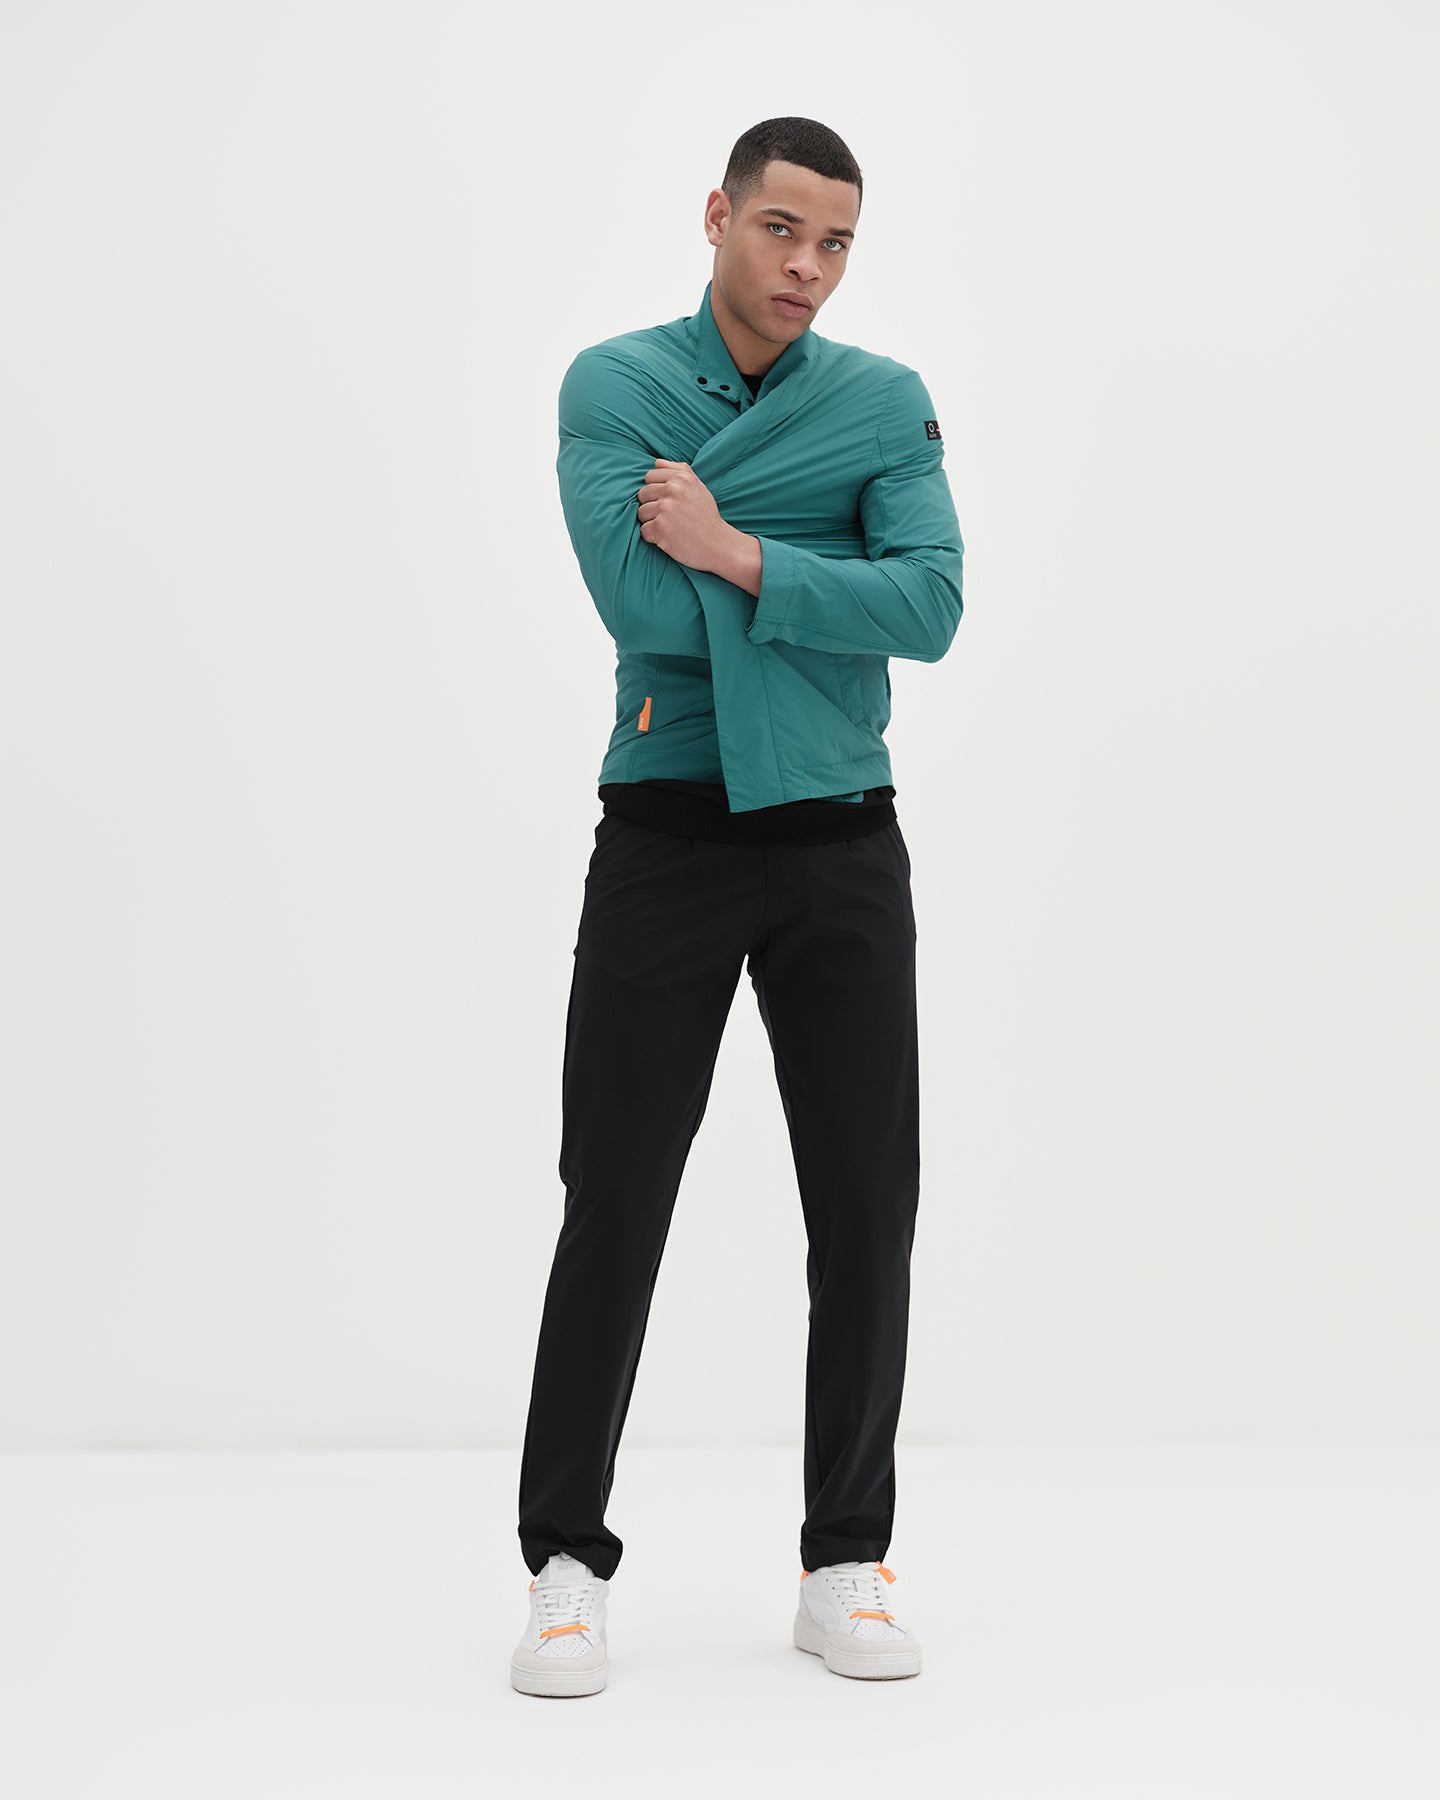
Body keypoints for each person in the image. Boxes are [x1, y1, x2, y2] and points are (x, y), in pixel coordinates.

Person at [511, 116, 964, 1696]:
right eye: (781, 230)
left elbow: (933, 606)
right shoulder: (614, 384)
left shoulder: (884, 396)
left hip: (843, 835)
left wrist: (729, 536)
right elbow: (637, 601)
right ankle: (565, 1565)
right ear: (717, 215)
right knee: (616, 1197)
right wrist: (827, 544)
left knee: (866, 1208)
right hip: (667, 830)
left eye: (836, 243)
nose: (806, 267)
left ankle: (846, 1562)